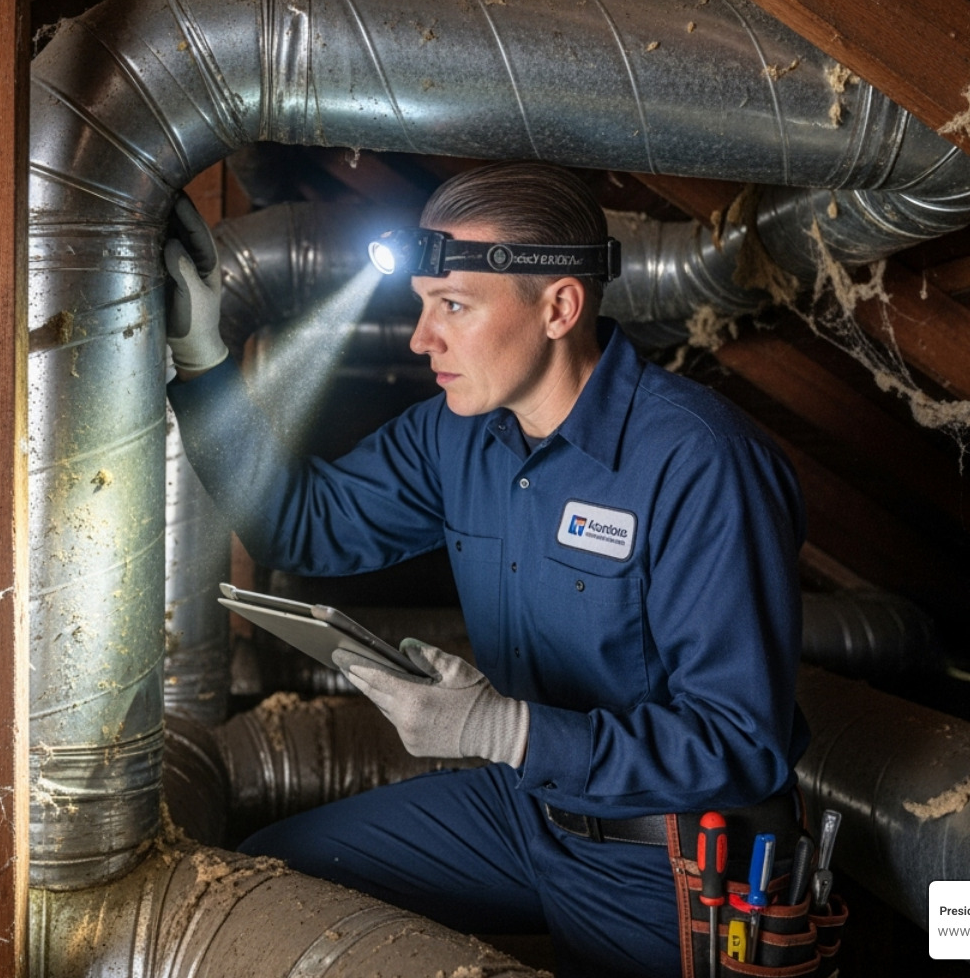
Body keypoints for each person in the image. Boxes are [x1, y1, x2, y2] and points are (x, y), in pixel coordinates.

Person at [165, 161, 810, 978]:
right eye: (423, 305)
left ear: (559, 306)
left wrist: (505, 730)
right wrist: (201, 358)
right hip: (526, 810)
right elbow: (304, 526)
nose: (420, 337)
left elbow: (739, 743)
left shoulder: (701, 464)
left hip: (668, 857)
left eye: (454, 307)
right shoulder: (457, 434)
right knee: (273, 878)